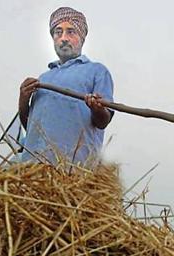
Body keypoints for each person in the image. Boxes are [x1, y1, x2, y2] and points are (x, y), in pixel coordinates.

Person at [18, 7, 114, 166]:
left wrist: (97, 108)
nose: (63, 38)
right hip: (33, 170)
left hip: (73, 169)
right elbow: (30, 126)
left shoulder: (96, 71)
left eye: (71, 32)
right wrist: (23, 99)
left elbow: (103, 121)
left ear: (81, 38)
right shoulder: (43, 78)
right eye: (58, 32)